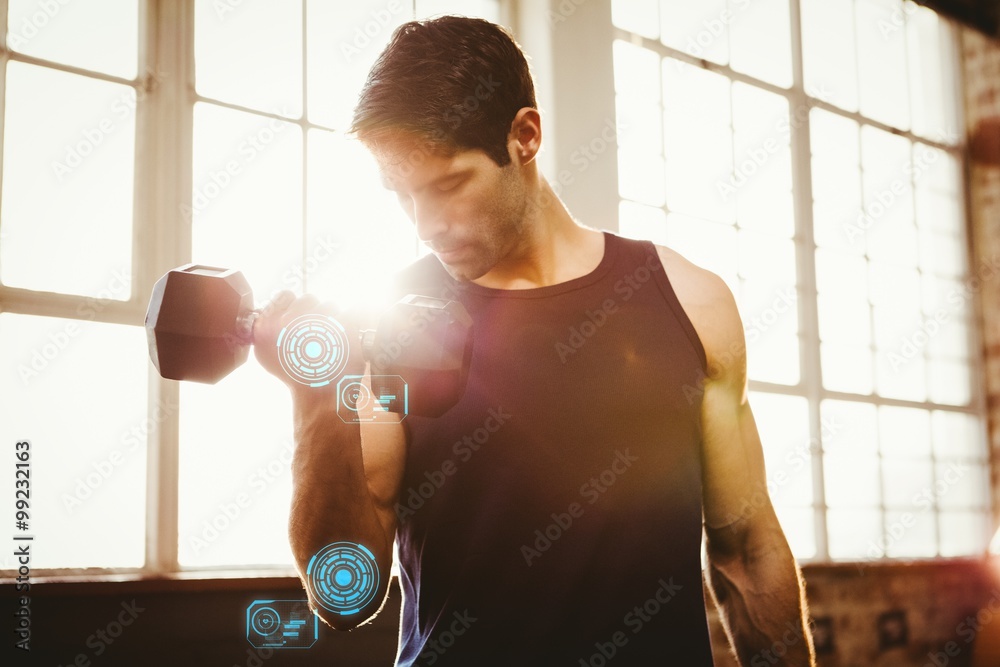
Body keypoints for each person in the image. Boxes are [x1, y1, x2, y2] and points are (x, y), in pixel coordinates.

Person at [253, 15, 816, 666]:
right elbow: (344, 597)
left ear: (525, 135)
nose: (425, 224)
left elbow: (746, 552)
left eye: (447, 184)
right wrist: (314, 400)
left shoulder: (690, 303)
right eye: (401, 195)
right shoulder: (389, 325)